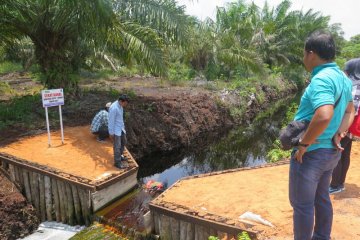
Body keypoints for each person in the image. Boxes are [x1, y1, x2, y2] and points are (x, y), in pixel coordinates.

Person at [289, 31, 354, 240]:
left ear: (311, 54)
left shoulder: (321, 79)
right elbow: (350, 110)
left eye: (303, 54)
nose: (303, 58)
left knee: (302, 206)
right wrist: (340, 133)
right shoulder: (342, 78)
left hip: (312, 153)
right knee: (322, 198)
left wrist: (303, 144)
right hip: (331, 153)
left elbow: (324, 114)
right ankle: (321, 237)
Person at [330, 58, 360, 194]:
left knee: (336, 153)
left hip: (347, 126)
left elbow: (352, 110)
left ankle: (335, 185)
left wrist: (341, 130)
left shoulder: (354, 87)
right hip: (352, 128)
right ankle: (340, 183)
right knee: (345, 153)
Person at [108, 95, 129, 169]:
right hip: (116, 130)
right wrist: (111, 133)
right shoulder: (114, 108)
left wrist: (123, 128)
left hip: (121, 128)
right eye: (125, 103)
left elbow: (120, 118)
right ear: (121, 101)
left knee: (124, 142)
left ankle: (120, 156)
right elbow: (111, 121)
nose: (125, 105)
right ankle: (117, 162)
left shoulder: (120, 106)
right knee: (117, 146)